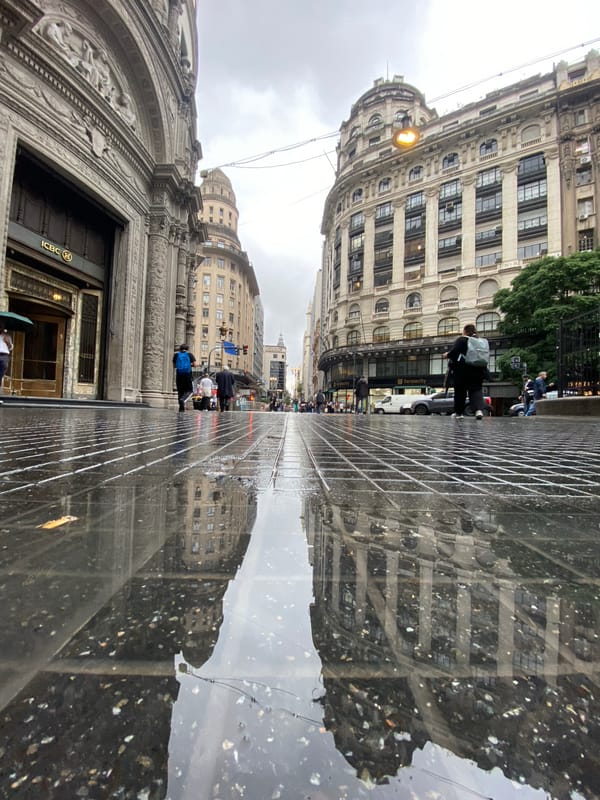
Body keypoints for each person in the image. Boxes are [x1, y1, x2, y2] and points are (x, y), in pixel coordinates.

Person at [443, 324, 487, 420]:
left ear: (465, 331)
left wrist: (447, 354)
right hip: (478, 370)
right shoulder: (480, 341)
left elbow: (455, 351)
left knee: (460, 391)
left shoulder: (462, 339)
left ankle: (459, 413)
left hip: (462, 370)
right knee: (476, 390)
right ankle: (478, 410)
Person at [173, 344, 196, 412]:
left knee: (180, 391)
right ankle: (183, 399)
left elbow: (174, 365)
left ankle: (181, 408)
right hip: (187, 374)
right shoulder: (190, 354)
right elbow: (194, 364)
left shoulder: (176, 355)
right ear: (187, 348)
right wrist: (189, 364)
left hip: (179, 374)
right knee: (190, 390)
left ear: (180, 348)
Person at [0, 328, 13, 403]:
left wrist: (9, 343)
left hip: (4, 356)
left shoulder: (7, 336)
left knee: (0, 376)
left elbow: (11, 348)